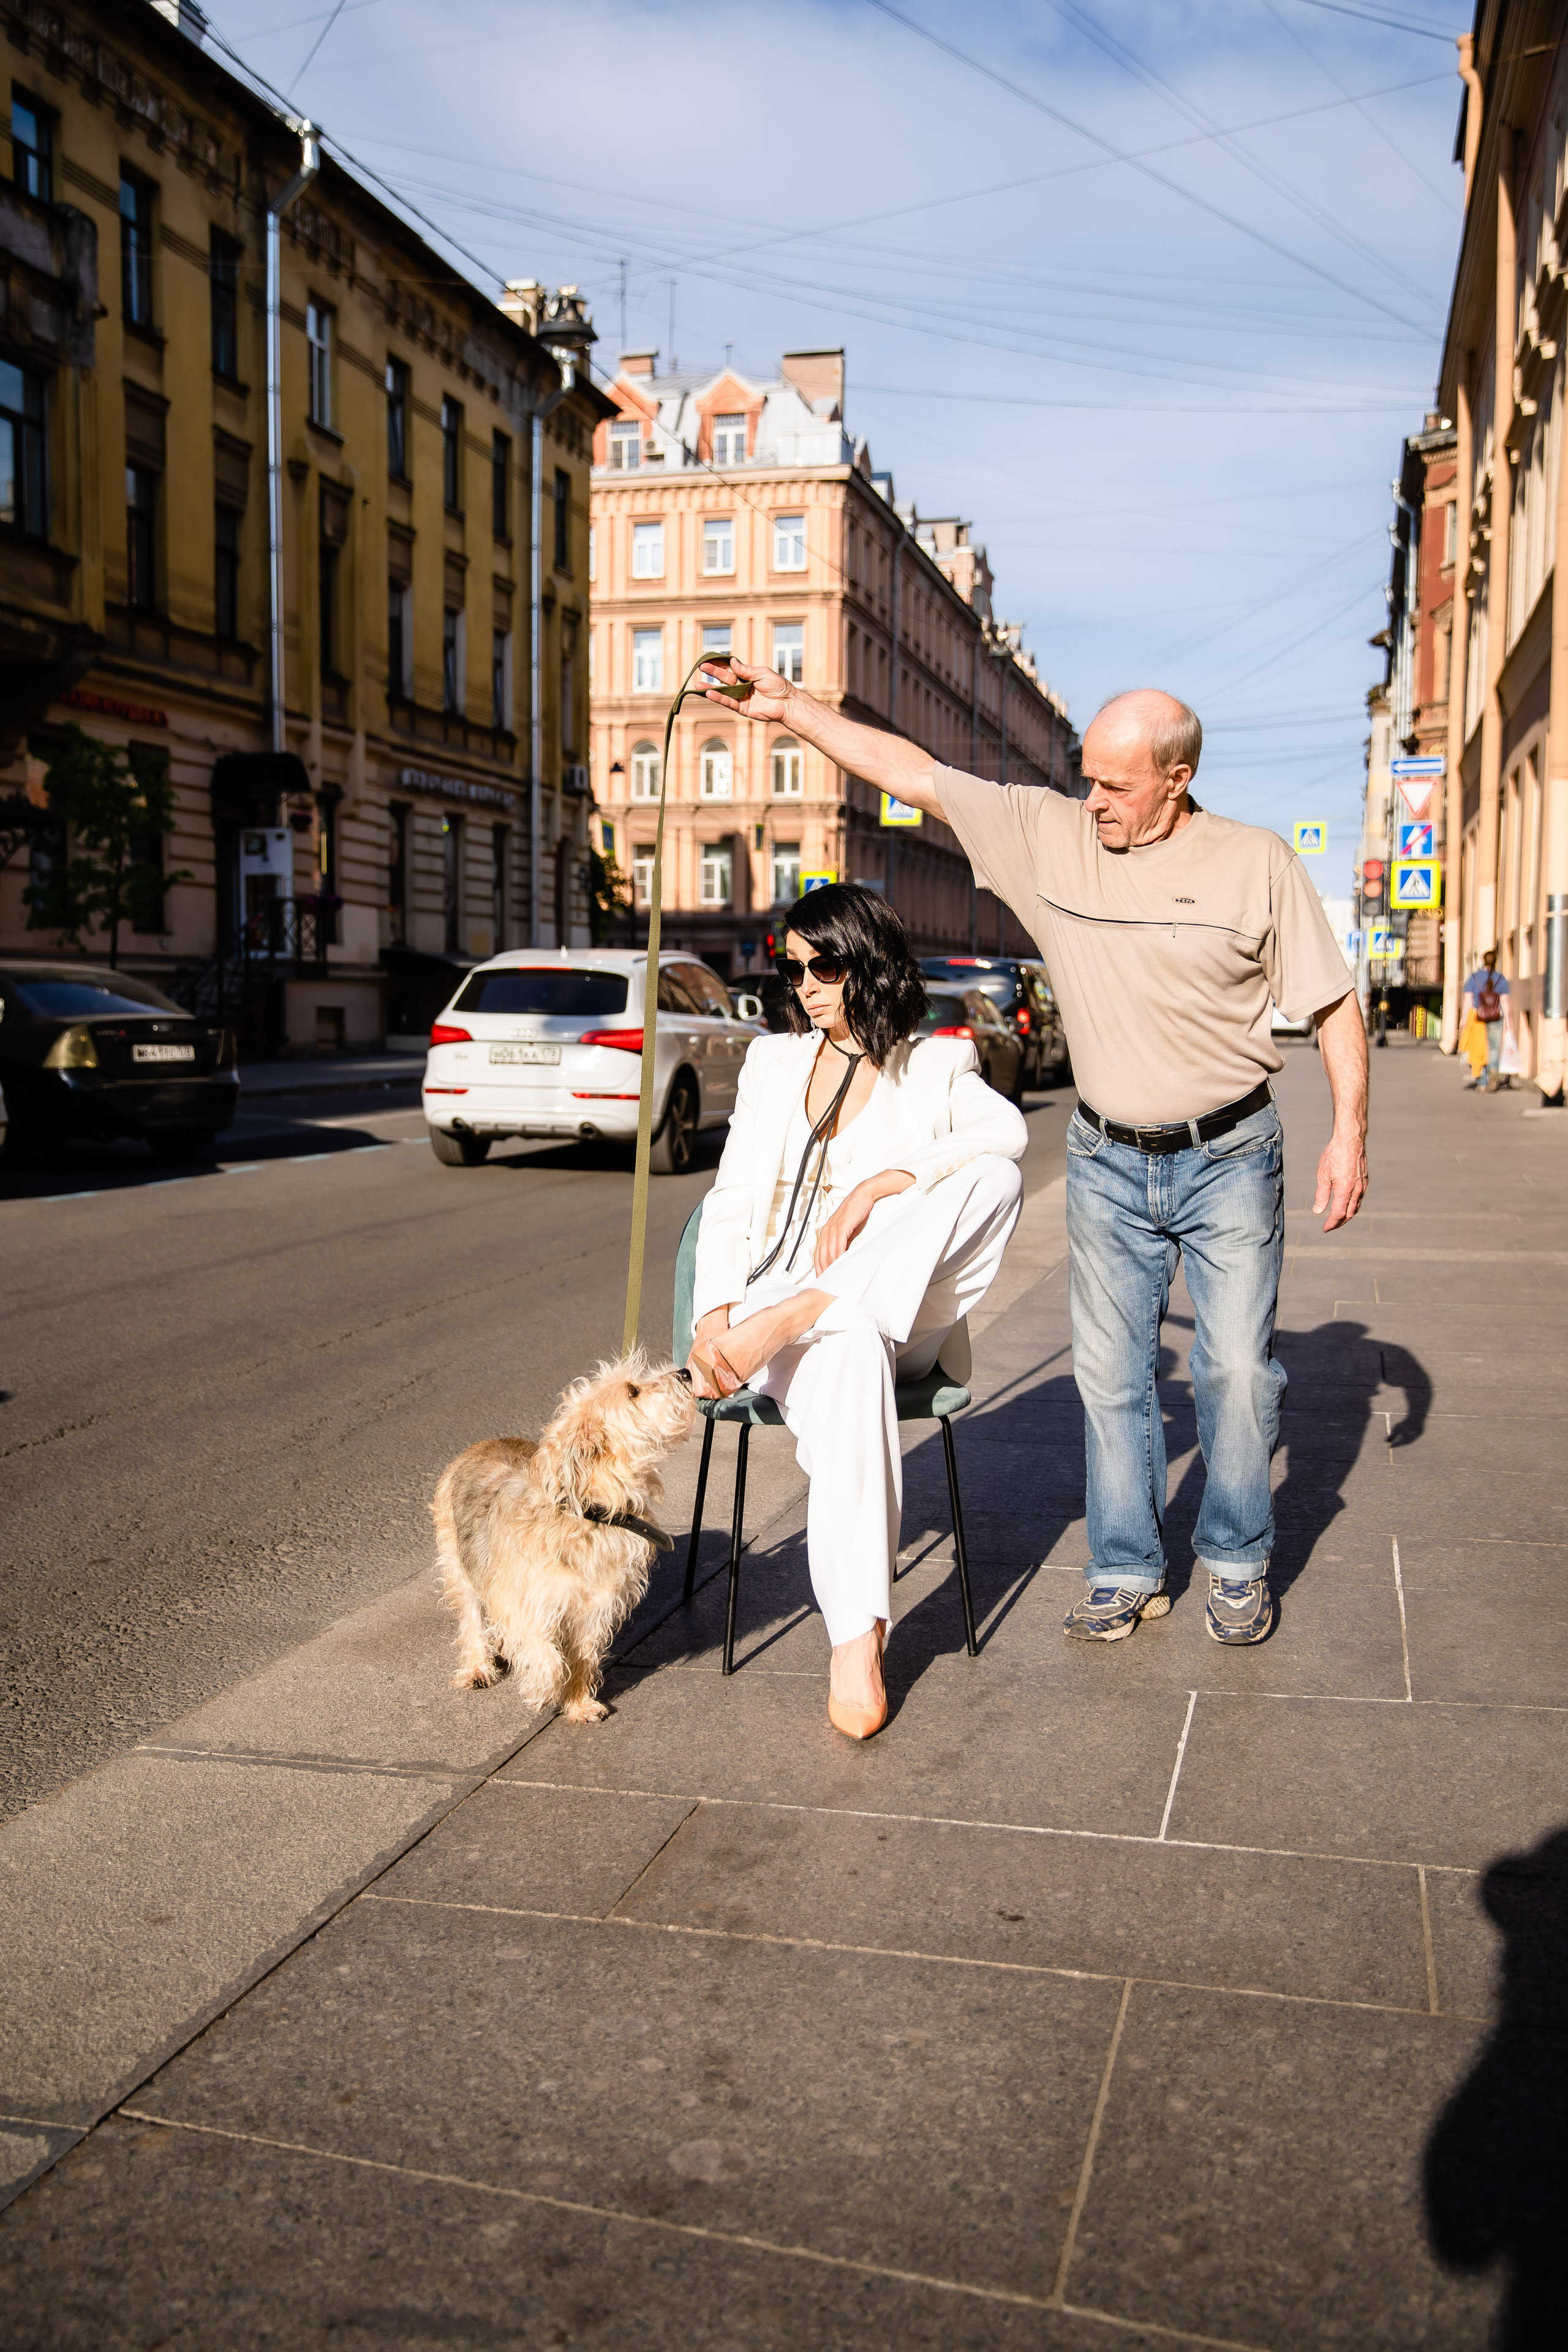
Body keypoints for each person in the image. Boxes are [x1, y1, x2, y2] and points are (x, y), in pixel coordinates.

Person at [699, 663, 1368, 1648]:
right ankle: (1128, 1567)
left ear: (1176, 780)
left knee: (1232, 1371)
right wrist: (790, 711)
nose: (1091, 798)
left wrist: (1351, 1130)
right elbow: (917, 772)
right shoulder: (1051, 834)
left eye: (1115, 784)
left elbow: (1332, 1003)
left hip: (1230, 1153)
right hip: (1104, 1156)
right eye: (1086, 776)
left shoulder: (1258, 862)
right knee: (1110, 1375)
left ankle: (1234, 1557)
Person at [686, 883, 1025, 1738]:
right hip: (788, 1314)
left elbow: (1007, 1136)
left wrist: (887, 1181)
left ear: (867, 962)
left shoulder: (935, 1063)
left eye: (825, 964)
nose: (805, 984)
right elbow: (730, 1200)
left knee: (997, 1177)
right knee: (847, 1353)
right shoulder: (772, 1065)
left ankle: (808, 1310)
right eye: (792, 967)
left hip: (899, 1306)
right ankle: (856, 1639)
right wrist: (714, 1319)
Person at [1461, 948, 1512, 1091]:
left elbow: (1468, 998)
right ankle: (1493, 1071)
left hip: (1477, 1017)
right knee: (1494, 1047)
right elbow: (1505, 1001)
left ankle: (1482, 1083)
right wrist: (1508, 1021)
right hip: (1496, 1017)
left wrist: (1464, 1019)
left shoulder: (1474, 977)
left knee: (1478, 1049)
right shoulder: (1501, 979)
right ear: (1496, 962)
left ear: (1483, 961)